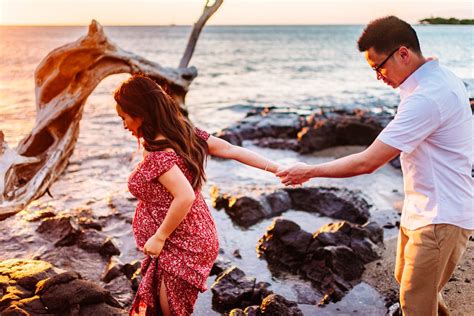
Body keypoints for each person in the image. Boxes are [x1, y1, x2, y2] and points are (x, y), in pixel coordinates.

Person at [276, 16, 473, 315]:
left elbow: (368, 161)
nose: (378, 77)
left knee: (414, 301)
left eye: (379, 67)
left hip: (441, 215)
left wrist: (310, 170)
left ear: (403, 53)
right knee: (410, 284)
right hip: (422, 207)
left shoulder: (428, 97)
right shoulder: (433, 77)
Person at [114, 74, 280, 316]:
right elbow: (229, 149)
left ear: (140, 113)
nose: (124, 125)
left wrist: (159, 236)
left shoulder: (160, 155)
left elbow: (185, 196)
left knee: (170, 311)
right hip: (189, 234)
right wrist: (277, 168)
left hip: (185, 241)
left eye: (124, 118)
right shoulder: (182, 133)